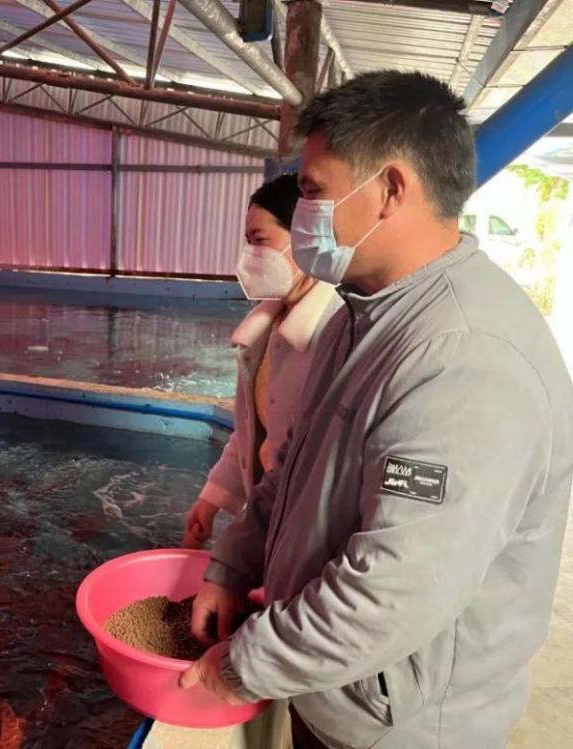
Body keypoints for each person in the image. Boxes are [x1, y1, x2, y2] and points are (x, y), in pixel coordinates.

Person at [180, 70, 573, 749]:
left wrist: (243, 666)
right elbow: (293, 468)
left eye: (312, 192)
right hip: (336, 690)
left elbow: (393, 591)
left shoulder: (464, 358)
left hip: (401, 726)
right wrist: (231, 567)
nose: (304, 213)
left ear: (390, 189)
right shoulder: (359, 316)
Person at [184, 173, 339, 550]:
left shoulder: (336, 332)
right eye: (248, 242)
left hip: (310, 533)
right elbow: (254, 430)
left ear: (306, 237)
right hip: (270, 519)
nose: (250, 255)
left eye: (260, 240)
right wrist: (212, 498)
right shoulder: (268, 328)